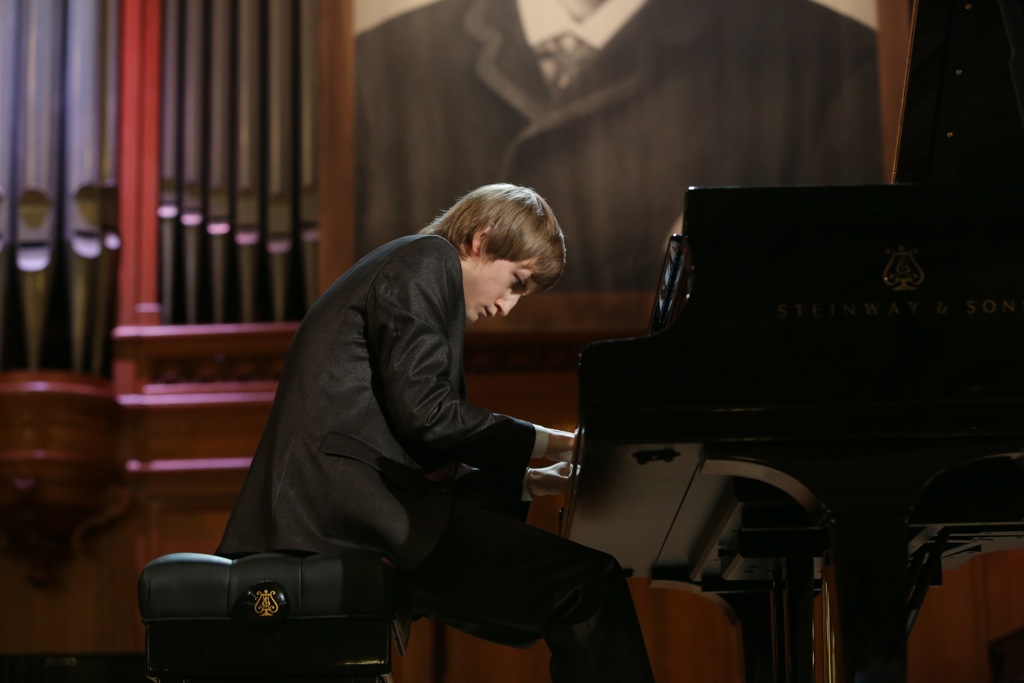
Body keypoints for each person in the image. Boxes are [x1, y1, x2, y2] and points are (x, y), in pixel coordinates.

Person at [217, 183, 656, 682]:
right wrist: (563, 441)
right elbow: (428, 417)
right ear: (480, 239)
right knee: (587, 585)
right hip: (340, 517)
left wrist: (530, 482)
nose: (508, 307)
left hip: (353, 509)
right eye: (516, 282)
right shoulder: (426, 259)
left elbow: (409, 450)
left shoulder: (414, 270)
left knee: (574, 590)